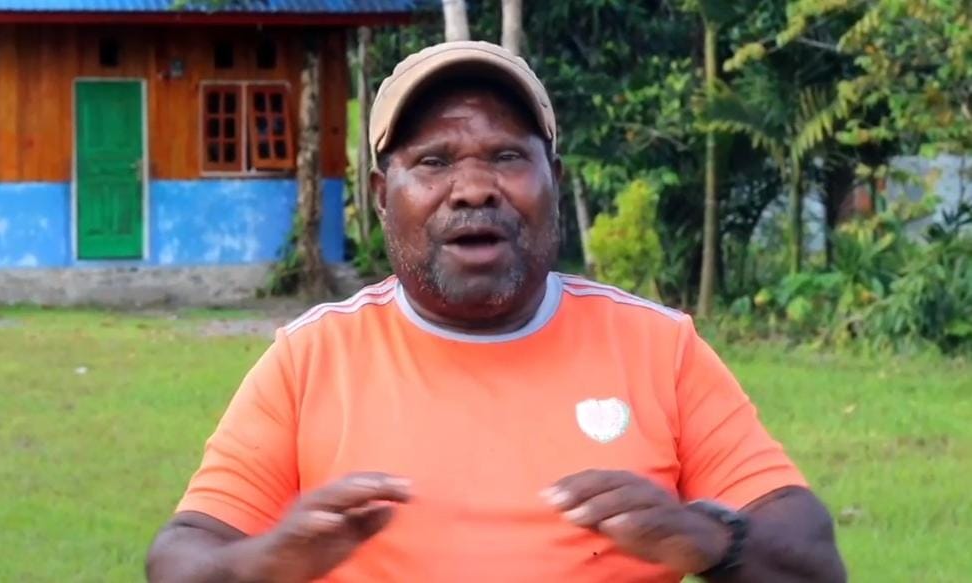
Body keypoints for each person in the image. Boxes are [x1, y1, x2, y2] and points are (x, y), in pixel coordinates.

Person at [145, 41, 846, 583]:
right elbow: (180, 557)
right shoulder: (311, 359)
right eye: (434, 161)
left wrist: (713, 538)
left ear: (553, 180)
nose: (474, 188)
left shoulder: (657, 347)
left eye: (507, 155)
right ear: (382, 195)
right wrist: (263, 560)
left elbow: (813, 559)